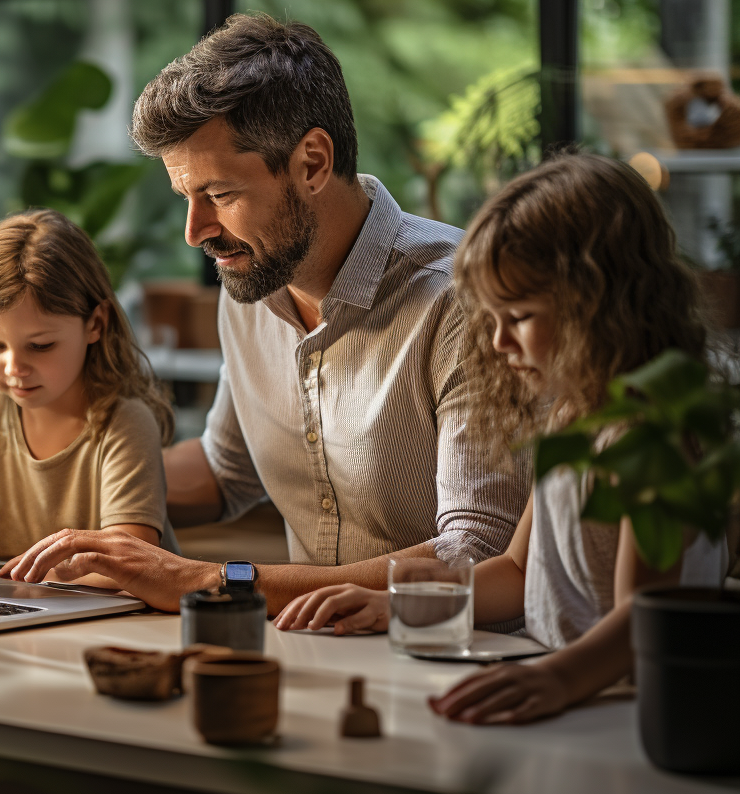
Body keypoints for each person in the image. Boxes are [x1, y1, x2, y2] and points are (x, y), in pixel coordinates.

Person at [0, 13, 529, 610]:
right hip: (308, 650)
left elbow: (479, 549)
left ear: (311, 163)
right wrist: (22, 487)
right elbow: (226, 472)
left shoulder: (464, 303)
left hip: (457, 669)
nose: (194, 231)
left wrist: (210, 581)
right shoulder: (250, 284)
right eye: (186, 198)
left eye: (220, 195)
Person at [274, 153, 731, 724]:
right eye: (491, 319)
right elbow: (518, 571)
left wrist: (557, 678)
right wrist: (395, 606)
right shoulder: (571, 417)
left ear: (600, 300)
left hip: (631, 707)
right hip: (578, 691)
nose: (497, 344)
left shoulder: (652, 437)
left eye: (518, 316)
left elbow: (647, 615)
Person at [0, 208, 176, 561]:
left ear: (95, 324)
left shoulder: (124, 424)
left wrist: (34, 578)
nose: (15, 367)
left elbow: (130, 562)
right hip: (24, 605)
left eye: (40, 346)